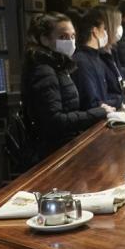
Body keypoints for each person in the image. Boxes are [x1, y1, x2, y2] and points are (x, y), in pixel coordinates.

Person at [20, 12, 113, 159]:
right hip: (53, 153)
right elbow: (55, 121)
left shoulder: (58, 66)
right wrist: (98, 112)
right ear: (44, 39)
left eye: (73, 36)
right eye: (63, 37)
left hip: (65, 146)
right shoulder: (43, 70)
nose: (70, 41)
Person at [72, 7, 122, 110]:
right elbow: (91, 102)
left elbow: (103, 96)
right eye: (104, 29)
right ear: (95, 31)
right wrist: (122, 99)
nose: (106, 34)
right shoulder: (82, 61)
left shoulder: (95, 57)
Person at [96, 4, 125, 107]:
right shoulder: (97, 56)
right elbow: (102, 97)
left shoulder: (112, 51)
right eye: (118, 25)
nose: (120, 29)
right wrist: (124, 99)